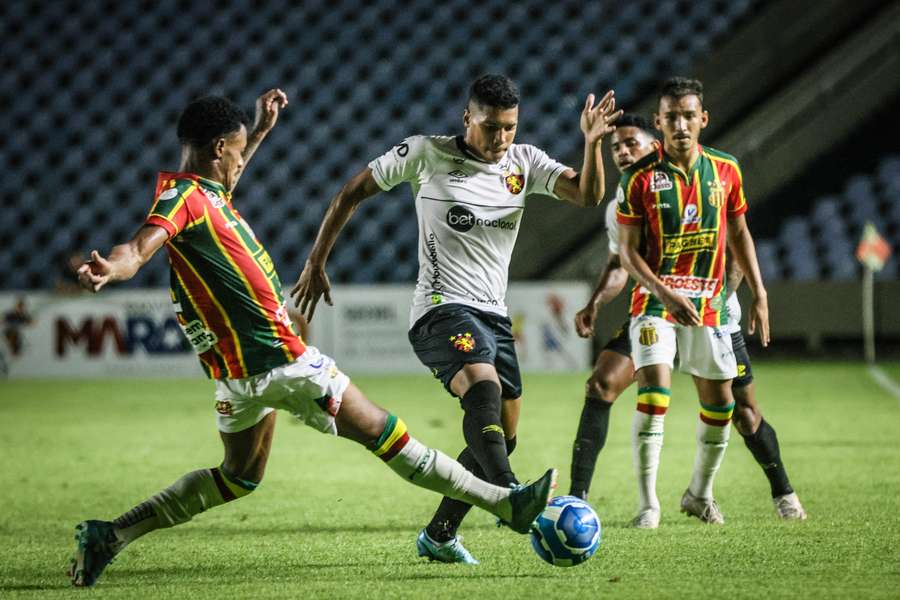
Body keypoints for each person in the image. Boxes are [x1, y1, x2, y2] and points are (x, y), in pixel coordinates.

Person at [68, 90, 557, 587]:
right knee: (387, 434)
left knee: (238, 476)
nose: (241, 163)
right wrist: (114, 265)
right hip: (279, 360)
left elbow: (216, 181)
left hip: (235, 378)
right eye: (236, 152)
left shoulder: (207, 194)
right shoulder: (185, 200)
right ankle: (504, 501)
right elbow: (139, 244)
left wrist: (257, 132)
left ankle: (111, 535)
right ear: (218, 149)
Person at [292, 74, 621, 563]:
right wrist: (317, 260)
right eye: (491, 127)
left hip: (494, 316)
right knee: (482, 392)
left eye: (509, 127)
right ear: (467, 119)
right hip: (440, 309)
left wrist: (592, 145)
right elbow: (351, 192)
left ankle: (440, 534)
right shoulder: (425, 153)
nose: (500, 139)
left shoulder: (524, 162)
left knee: (502, 436)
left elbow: (589, 196)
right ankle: (511, 496)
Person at [568, 114, 806, 521]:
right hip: (656, 308)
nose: (623, 153)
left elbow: (733, 251)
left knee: (743, 412)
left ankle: (780, 492)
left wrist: (722, 299)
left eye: (631, 144)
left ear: (654, 143)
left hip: (710, 313)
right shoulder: (624, 200)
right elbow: (619, 263)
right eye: (616, 148)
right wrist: (595, 303)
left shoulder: (703, 179)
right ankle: (578, 498)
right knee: (602, 384)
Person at [615, 77, 769, 528]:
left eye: (688, 116)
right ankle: (648, 504)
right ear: (659, 122)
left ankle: (698, 494)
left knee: (721, 404)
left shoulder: (727, 170)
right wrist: (664, 291)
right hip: (654, 299)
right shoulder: (638, 178)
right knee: (655, 391)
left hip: (710, 301)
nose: (680, 125)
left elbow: (739, 233)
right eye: (671, 117)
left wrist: (758, 292)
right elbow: (627, 252)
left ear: (703, 119)